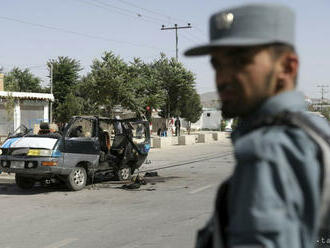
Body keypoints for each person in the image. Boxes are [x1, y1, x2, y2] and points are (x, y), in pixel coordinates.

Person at [185, 3, 330, 248]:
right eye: (218, 65)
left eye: (240, 62)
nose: (223, 78)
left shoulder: (269, 149)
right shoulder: (312, 132)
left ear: (287, 67)